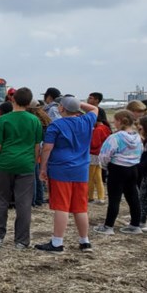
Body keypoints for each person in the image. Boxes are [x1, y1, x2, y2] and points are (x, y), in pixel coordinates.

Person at [36, 96, 99, 253]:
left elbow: (47, 149)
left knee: (61, 206)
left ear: (61, 108)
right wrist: (77, 103)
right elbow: (94, 109)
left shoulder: (56, 125)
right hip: (81, 170)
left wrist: (43, 168)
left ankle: (57, 242)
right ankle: (85, 241)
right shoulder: (86, 121)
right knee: (80, 208)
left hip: (60, 169)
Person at [0, 87, 43, 248]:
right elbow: (36, 147)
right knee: (24, 203)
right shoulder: (34, 121)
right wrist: (33, 162)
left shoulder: (3, 120)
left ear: (12, 99)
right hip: (26, 164)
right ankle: (21, 240)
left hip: (4, 163)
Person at [94, 109, 143, 235]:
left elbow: (105, 155)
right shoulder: (137, 136)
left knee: (115, 199)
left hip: (117, 168)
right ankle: (135, 225)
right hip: (133, 168)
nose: (114, 122)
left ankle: (108, 226)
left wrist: (105, 166)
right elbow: (141, 151)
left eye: (115, 120)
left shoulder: (115, 137)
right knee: (133, 197)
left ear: (120, 121)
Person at [88, 107, 110, 204]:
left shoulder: (98, 130)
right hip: (100, 155)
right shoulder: (106, 128)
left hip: (93, 155)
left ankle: (89, 196)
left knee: (90, 178)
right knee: (98, 177)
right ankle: (101, 197)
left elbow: (94, 144)